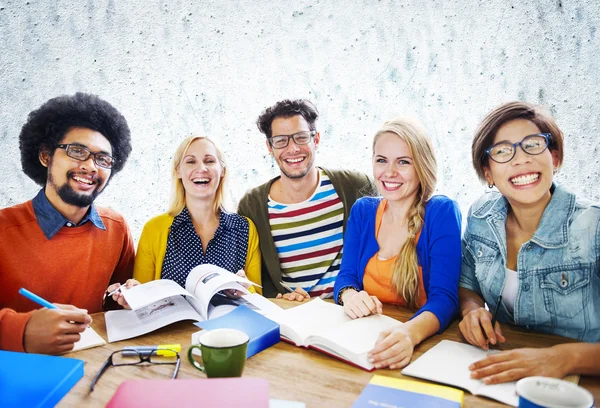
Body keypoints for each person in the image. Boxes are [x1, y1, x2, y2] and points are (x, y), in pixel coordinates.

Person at [459, 101, 600, 384]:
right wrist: (472, 311)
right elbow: (468, 286)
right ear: (488, 173)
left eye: (533, 145)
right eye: (502, 151)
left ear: (555, 158)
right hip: (505, 369)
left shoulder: (593, 226)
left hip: (581, 383)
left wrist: (563, 358)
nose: (520, 159)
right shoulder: (481, 216)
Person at [0, 92, 134, 354]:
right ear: (46, 156)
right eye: (77, 151)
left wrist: (128, 298)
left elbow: (113, 306)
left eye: (102, 159)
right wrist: (21, 329)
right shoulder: (3, 230)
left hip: (96, 368)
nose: (90, 166)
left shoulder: (116, 228)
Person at [333, 117, 462, 369]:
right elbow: (346, 275)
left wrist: (409, 334)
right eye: (381, 160)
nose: (389, 172)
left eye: (403, 162)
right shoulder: (363, 211)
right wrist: (350, 295)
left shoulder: (441, 212)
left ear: (421, 166)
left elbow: (445, 299)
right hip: (364, 343)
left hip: (421, 346)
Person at [237, 99, 375, 300]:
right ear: (270, 146)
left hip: (350, 310)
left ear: (316, 139)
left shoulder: (355, 187)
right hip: (292, 318)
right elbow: (257, 278)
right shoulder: (251, 205)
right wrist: (279, 299)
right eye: (281, 140)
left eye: (301, 137)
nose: (292, 149)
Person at [116, 135, 261, 303]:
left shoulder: (245, 228)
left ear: (223, 171)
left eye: (209, 161)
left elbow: (258, 298)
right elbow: (141, 297)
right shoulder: (154, 229)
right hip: (174, 329)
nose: (201, 168)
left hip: (229, 329)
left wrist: (244, 289)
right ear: (178, 171)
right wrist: (131, 295)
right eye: (191, 161)